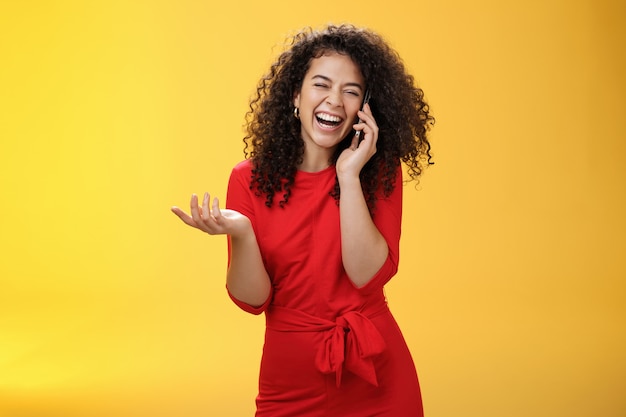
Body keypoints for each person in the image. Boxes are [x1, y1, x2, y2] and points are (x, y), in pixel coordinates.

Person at [171, 24, 434, 417]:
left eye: (351, 91)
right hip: (290, 379)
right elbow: (252, 300)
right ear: (296, 94)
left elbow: (365, 275)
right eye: (321, 85)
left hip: (377, 375)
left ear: (365, 107)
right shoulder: (248, 178)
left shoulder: (377, 172)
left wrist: (348, 175)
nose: (334, 101)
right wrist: (242, 232)